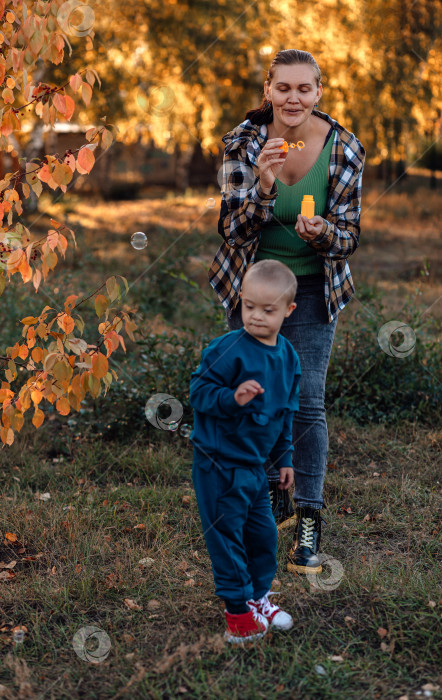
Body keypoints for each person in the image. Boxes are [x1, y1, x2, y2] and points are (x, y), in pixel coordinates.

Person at [208, 49, 366, 575]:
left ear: (319, 92)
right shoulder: (242, 144)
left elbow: (349, 236)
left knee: (306, 402)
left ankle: (309, 521)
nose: (293, 98)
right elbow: (232, 229)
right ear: (269, 91)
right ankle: (269, 495)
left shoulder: (344, 149)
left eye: (304, 88)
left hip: (315, 289)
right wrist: (265, 186)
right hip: (253, 290)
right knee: (258, 396)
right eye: (283, 88)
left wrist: (324, 233)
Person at [190, 259, 301, 643]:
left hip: (255, 467)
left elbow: (286, 411)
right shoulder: (228, 349)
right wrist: (231, 397)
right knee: (228, 537)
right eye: (248, 306)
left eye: (268, 310)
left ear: (288, 310)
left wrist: (284, 458)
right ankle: (237, 613)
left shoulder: (288, 357)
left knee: (263, 536)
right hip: (218, 463)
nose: (255, 317)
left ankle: (258, 597)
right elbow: (198, 392)